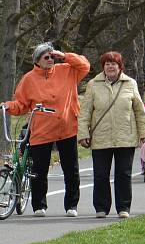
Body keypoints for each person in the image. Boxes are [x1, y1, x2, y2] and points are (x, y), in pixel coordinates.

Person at [1, 43, 90, 217]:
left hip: (67, 127)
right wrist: (7, 106)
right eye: (46, 57)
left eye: (52, 57)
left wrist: (63, 55)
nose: (50, 60)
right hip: (41, 130)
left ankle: (72, 205)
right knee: (38, 171)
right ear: (37, 61)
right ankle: (39, 205)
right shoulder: (29, 79)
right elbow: (21, 104)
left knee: (70, 169)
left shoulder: (67, 70)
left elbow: (85, 65)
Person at [78, 51, 145, 218]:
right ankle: (101, 208)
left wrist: (144, 133)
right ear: (103, 67)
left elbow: (140, 111)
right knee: (101, 174)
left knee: (123, 173)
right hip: (101, 137)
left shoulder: (130, 84)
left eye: (113, 64)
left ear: (120, 67)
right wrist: (83, 134)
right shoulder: (93, 85)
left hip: (125, 136)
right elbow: (85, 112)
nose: (110, 67)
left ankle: (123, 207)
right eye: (107, 64)